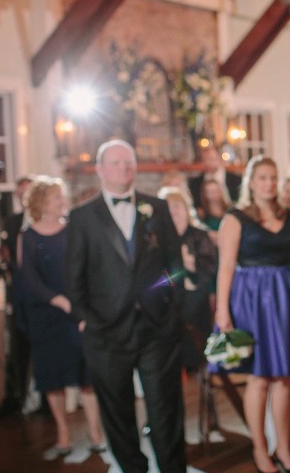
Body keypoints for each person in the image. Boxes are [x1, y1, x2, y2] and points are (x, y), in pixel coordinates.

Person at [66, 139, 186, 473]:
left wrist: (167, 301)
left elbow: (173, 264)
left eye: (129, 163)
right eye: (116, 163)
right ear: (100, 170)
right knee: (117, 412)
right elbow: (73, 277)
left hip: (156, 327)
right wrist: (85, 319)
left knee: (166, 409)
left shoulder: (156, 208)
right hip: (105, 331)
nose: (124, 168)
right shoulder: (82, 217)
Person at [215, 155, 290, 473]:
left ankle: (284, 447)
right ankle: (260, 448)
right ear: (251, 181)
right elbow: (225, 267)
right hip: (251, 301)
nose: (268, 183)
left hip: (282, 297)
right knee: (260, 377)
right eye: (262, 177)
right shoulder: (235, 218)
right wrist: (223, 310)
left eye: (272, 177)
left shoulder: (288, 214)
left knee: (284, 378)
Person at [18, 176, 104, 457]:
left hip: (76, 313)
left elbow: (86, 270)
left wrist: (77, 306)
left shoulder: (72, 231)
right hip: (46, 317)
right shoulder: (27, 237)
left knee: (86, 377)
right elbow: (30, 280)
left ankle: (95, 434)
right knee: (53, 379)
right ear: (42, 202)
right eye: (57, 197)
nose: (62, 201)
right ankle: (63, 437)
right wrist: (59, 302)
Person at [0, 175, 37, 419]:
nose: (23, 197)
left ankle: (48, 404)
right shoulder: (13, 222)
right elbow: (12, 262)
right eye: (20, 194)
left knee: (43, 350)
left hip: (42, 297)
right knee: (17, 349)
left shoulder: (46, 221)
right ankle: (15, 398)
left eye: (27, 192)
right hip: (19, 295)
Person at [158, 187, 217, 371]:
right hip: (167, 301)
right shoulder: (158, 238)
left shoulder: (198, 235)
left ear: (185, 208)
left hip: (195, 300)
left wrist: (191, 264)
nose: (173, 211)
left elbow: (210, 268)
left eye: (177, 205)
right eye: (168, 207)